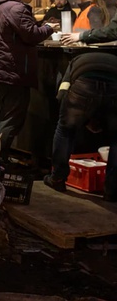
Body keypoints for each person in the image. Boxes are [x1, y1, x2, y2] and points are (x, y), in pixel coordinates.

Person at [0, 0, 57, 154]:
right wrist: (48, 28)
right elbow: (31, 35)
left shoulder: (2, 5)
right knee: (13, 119)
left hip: (3, 69)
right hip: (12, 70)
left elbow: (20, 31)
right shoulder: (16, 8)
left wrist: (40, 24)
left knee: (5, 116)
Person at [43, 52, 117, 202]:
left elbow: (62, 93)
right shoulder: (113, 60)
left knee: (65, 130)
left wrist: (70, 118)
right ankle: (112, 190)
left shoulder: (74, 62)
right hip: (114, 85)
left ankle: (57, 179)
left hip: (83, 84)